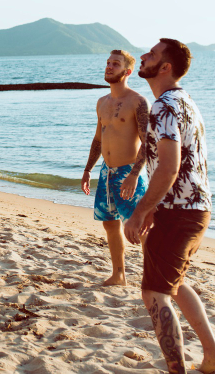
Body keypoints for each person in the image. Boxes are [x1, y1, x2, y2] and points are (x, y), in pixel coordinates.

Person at [124, 39, 215, 374]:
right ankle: (213, 357)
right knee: (174, 284)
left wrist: (140, 211)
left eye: (152, 54)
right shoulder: (185, 101)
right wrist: (155, 207)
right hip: (193, 208)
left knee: (154, 293)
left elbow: (169, 167)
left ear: (165, 67)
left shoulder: (164, 106)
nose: (143, 56)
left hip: (180, 213)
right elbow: (182, 168)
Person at [81, 49, 149, 286]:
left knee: (140, 228)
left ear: (128, 71)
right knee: (110, 224)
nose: (109, 67)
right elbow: (98, 139)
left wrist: (134, 174)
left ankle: (152, 277)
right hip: (106, 171)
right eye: (108, 62)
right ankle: (119, 275)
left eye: (116, 64)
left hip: (128, 173)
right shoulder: (102, 102)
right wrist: (88, 170)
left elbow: (148, 143)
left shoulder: (138, 102)